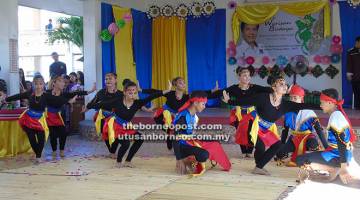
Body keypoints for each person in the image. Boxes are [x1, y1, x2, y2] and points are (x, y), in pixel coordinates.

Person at [222, 75, 320, 175]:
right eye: (281, 84)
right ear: (273, 87)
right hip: (252, 124)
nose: (284, 86)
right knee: (260, 147)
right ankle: (258, 167)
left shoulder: (286, 104)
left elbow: (304, 105)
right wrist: (229, 101)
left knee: (277, 145)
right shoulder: (263, 97)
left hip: (265, 128)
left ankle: (258, 166)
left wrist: (322, 106)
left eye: (285, 84)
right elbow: (245, 101)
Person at [91, 80, 169, 167]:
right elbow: (102, 104)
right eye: (130, 90)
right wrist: (89, 106)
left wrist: (165, 91)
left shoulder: (137, 103)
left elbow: (152, 96)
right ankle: (118, 161)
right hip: (115, 126)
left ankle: (128, 161)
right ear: (124, 92)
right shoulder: (118, 101)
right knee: (126, 143)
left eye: (134, 91)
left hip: (126, 126)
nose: (132, 92)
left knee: (140, 138)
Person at [296, 89, 358, 185]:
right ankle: (334, 168)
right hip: (338, 154)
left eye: (322, 103)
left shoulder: (336, 117)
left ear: (329, 102)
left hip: (338, 156)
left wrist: (343, 167)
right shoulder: (336, 115)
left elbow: (341, 143)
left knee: (300, 160)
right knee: (309, 155)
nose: (320, 106)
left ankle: (334, 169)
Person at [209, 66, 273, 158]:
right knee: (241, 131)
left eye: (249, 75)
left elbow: (268, 90)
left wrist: (275, 87)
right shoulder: (234, 88)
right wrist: (207, 95)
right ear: (239, 77)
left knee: (251, 131)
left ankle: (250, 152)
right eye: (244, 75)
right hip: (239, 113)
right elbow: (221, 93)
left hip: (251, 113)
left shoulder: (254, 87)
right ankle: (243, 152)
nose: (247, 77)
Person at [173, 91, 231, 177]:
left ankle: (192, 160)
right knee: (203, 154)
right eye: (203, 104)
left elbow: (191, 135)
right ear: (196, 103)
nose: (204, 107)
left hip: (190, 141)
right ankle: (187, 162)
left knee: (215, 142)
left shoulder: (194, 116)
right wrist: (179, 159)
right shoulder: (183, 117)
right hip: (182, 147)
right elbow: (175, 138)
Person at [3, 75, 53, 163]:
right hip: (28, 119)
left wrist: (66, 100)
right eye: (36, 84)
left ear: (43, 84)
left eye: (40, 84)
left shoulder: (46, 95)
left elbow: (57, 100)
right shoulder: (29, 93)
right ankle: (38, 156)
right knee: (32, 138)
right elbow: (18, 96)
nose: (38, 86)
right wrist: (7, 98)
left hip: (40, 120)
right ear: (33, 84)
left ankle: (38, 154)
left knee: (41, 138)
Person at [275, 84, 328, 167]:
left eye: (295, 98)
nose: (292, 100)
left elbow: (319, 131)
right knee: (279, 153)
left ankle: (308, 155)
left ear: (301, 99)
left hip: (308, 137)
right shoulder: (287, 112)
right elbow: (285, 131)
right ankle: (297, 155)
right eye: (291, 97)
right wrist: (281, 145)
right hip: (294, 138)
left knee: (312, 145)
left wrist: (327, 147)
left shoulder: (309, 113)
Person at [46, 75, 96, 158]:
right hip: (50, 116)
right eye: (61, 82)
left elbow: (76, 93)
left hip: (60, 116)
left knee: (63, 133)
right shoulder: (47, 93)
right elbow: (54, 99)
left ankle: (61, 150)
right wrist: (68, 101)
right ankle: (54, 150)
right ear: (54, 83)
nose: (63, 84)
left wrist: (91, 91)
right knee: (53, 135)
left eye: (64, 82)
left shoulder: (64, 94)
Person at [346, 36, 360, 110]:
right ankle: (358, 106)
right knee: (356, 91)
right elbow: (349, 64)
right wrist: (349, 74)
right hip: (355, 76)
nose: (357, 44)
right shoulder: (351, 51)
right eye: (357, 42)